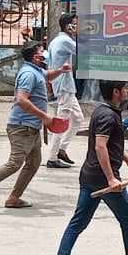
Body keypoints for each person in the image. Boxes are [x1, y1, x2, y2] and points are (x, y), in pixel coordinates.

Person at [53, 78, 128, 255]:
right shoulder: (108, 115)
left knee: (79, 221)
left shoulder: (102, 110)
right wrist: (111, 179)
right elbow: (100, 146)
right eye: (125, 88)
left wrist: (127, 161)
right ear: (116, 92)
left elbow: (111, 144)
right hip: (102, 178)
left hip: (89, 175)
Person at [0, 39, 50, 214]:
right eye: (42, 50)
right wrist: (44, 117)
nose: (45, 53)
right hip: (22, 127)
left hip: (32, 127)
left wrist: (63, 70)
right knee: (15, 162)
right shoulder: (29, 74)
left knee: (34, 162)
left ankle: (14, 198)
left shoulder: (37, 71)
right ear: (36, 56)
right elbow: (21, 99)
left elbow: (48, 76)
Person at [43, 12, 82, 166]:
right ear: (68, 26)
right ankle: (52, 157)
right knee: (62, 120)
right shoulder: (65, 40)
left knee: (78, 119)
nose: (77, 26)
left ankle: (61, 149)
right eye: (75, 23)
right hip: (64, 85)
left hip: (64, 85)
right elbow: (84, 51)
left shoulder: (57, 40)